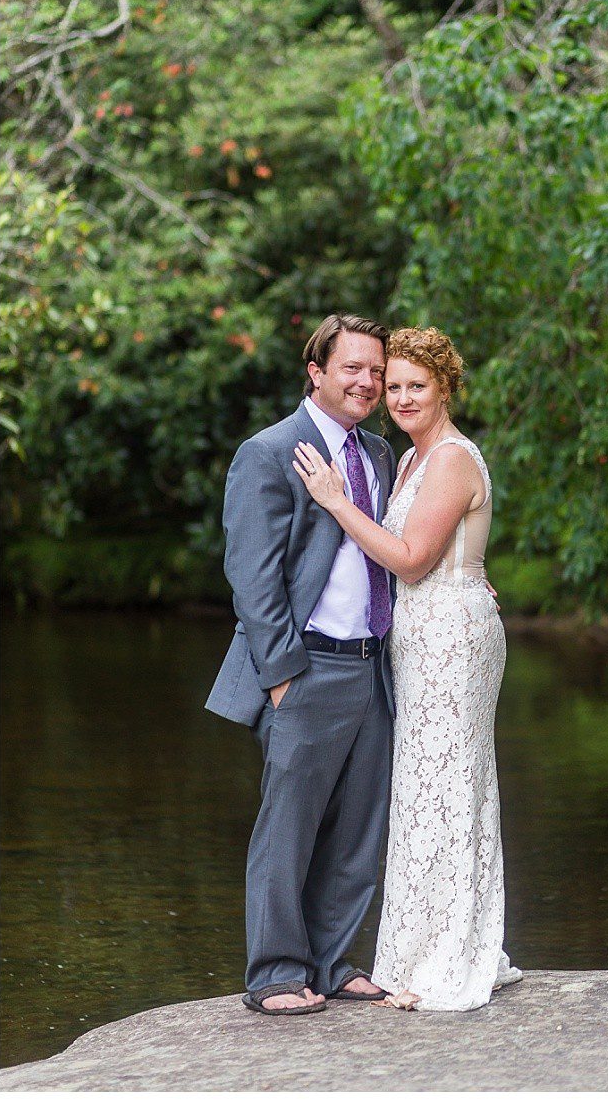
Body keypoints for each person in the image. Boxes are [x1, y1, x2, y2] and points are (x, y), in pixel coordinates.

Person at [292, 326, 518, 1012]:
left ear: (445, 386)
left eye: (415, 385)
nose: (399, 397)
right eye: (392, 386)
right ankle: (422, 950)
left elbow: (414, 558)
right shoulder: (412, 458)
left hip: (451, 635)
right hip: (423, 636)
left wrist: (338, 502)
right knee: (424, 786)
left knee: (449, 782)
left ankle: (451, 954)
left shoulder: (448, 458)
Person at [206, 313, 395, 1015]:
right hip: (306, 666)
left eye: (375, 370)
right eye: (353, 367)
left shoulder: (377, 454)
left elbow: (390, 548)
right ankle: (277, 973)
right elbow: (250, 576)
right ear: (315, 370)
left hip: (373, 663)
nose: (367, 381)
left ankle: (333, 959)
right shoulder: (269, 450)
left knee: (357, 826)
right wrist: (283, 673)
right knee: (289, 826)